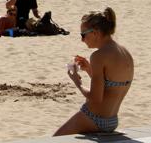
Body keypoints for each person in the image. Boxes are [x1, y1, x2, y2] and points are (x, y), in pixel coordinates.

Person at [54, 7, 134, 136]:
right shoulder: (125, 53)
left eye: (83, 35)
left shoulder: (98, 56)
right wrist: (90, 70)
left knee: (55, 140)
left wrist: (77, 82)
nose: (82, 39)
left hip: (93, 118)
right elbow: (111, 86)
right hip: (112, 120)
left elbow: (95, 98)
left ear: (95, 32)